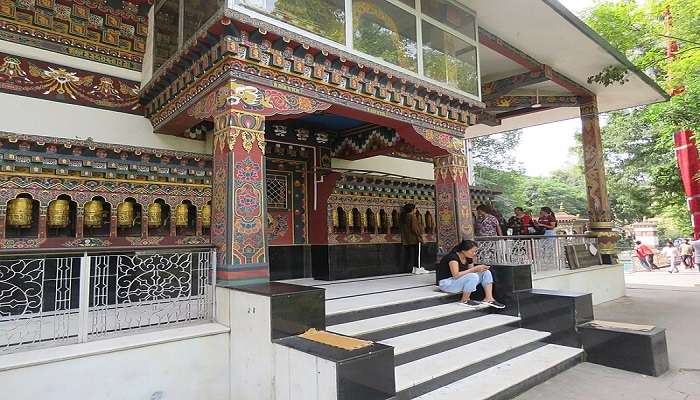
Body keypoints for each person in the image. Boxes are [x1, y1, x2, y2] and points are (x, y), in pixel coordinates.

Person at [436, 239, 505, 309]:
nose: (474, 253)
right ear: (463, 251)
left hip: (458, 282)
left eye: (475, 251)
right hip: (447, 283)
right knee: (473, 276)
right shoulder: (453, 258)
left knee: (486, 272)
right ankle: (464, 300)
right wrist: (474, 269)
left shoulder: (469, 258)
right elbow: (456, 275)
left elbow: (470, 272)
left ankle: (489, 298)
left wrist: (479, 269)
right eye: (472, 251)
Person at [400, 203, 427, 274]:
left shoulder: (404, 217)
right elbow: (415, 228)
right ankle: (418, 268)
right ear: (412, 209)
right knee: (418, 254)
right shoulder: (412, 216)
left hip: (408, 239)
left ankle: (414, 269)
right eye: (415, 208)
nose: (416, 210)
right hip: (415, 239)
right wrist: (420, 237)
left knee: (412, 254)